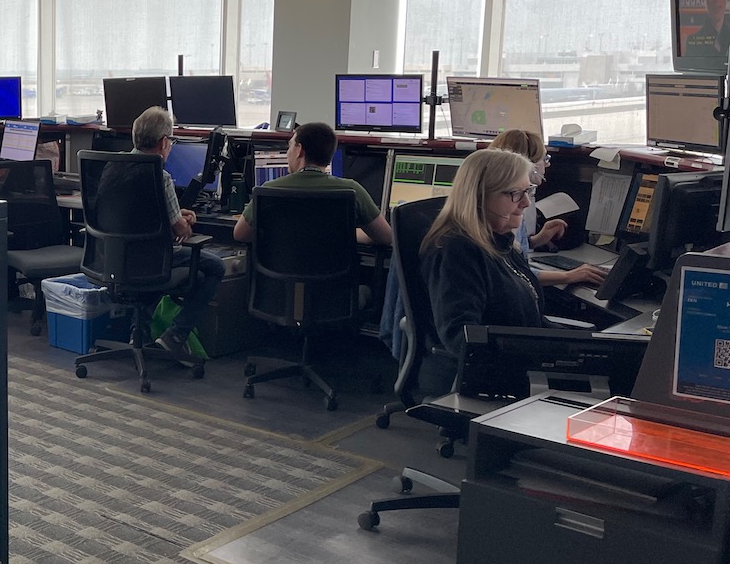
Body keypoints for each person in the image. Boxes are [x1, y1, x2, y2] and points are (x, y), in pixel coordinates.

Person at [416, 148, 544, 395]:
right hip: (489, 376)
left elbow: (532, 321)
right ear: (479, 197)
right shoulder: (457, 251)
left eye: (528, 191)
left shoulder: (503, 243)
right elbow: (460, 336)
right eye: (516, 194)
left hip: (521, 361)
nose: (526, 203)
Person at [130, 107, 225, 364]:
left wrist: (173, 212)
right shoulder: (160, 177)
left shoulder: (112, 167)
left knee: (162, 264)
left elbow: (138, 214)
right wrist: (183, 220)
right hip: (151, 259)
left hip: (116, 258)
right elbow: (181, 231)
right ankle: (176, 335)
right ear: (163, 143)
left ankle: (138, 330)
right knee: (215, 267)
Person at [232, 121, 393, 247]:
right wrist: (341, 233)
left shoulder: (268, 190)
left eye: (289, 147)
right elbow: (386, 237)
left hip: (280, 284)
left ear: (299, 150)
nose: (288, 153)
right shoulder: (352, 189)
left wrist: (281, 233)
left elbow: (240, 234)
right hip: (333, 283)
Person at [489, 129, 604, 289]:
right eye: (545, 158)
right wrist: (569, 276)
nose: (548, 164)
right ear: (529, 164)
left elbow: (512, 257)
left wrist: (536, 241)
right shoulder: (505, 212)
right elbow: (515, 273)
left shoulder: (507, 203)